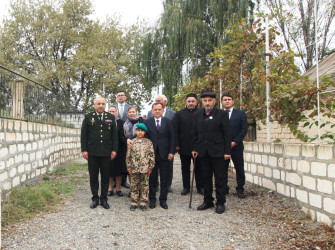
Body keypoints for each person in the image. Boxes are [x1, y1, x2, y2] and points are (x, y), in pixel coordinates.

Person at [192, 91, 232, 214]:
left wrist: (227, 151)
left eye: (210, 100)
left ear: (214, 102)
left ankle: (220, 202)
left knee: (220, 178)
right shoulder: (198, 115)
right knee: (206, 178)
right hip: (203, 152)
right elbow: (195, 134)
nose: (207, 103)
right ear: (202, 102)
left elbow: (227, 134)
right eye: (205, 100)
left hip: (218, 152)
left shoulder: (222, 114)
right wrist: (194, 148)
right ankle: (208, 200)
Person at [81, 97, 118, 209]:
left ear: (105, 105)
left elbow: (114, 136)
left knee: (105, 177)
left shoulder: (110, 117)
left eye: (103, 103)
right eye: (98, 104)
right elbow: (84, 135)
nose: (101, 105)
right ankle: (95, 198)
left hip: (106, 152)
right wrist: (84, 150)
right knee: (93, 176)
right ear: (94, 105)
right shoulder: (88, 117)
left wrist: (114, 150)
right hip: (92, 152)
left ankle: (104, 199)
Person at [145, 103, 175, 209]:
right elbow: (144, 137)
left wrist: (171, 152)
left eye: (159, 109)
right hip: (152, 155)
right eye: (155, 109)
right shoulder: (147, 122)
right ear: (152, 111)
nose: (157, 111)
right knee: (152, 178)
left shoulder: (168, 122)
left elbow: (173, 138)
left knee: (164, 178)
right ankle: (152, 199)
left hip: (165, 154)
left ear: (163, 111)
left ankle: (163, 200)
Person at [174, 93, 204, 195]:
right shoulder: (179, 114)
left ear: (196, 102)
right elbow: (175, 131)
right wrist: (177, 144)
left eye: (193, 101)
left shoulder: (202, 113)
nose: (191, 103)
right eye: (189, 101)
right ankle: (186, 187)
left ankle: (200, 187)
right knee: (185, 167)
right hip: (184, 145)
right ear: (186, 102)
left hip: (199, 145)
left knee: (199, 168)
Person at [221, 94, 248, 198]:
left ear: (233, 101)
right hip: (223, 147)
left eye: (229, 99)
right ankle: (224, 188)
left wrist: (235, 141)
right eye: (225, 100)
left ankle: (240, 188)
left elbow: (244, 129)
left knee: (239, 168)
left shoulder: (240, 114)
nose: (227, 101)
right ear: (221, 102)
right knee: (222, 169)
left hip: (236, 146)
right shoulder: (219, 114)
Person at [126, 123, 155, 211]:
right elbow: (128, 156)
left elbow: (151, 155)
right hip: (134, 168)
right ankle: (134, 202)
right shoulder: (132, 142)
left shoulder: (148, 142)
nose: (140, 132)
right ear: (136, 131)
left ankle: (143, 202)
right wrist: (129, 167)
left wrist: (151, 167)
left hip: (145, 169)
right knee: (134, 185)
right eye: (138, 130)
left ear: (145, 132)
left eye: (142, 131)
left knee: (145, 186)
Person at [123, 106, 144, 196]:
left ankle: (140, 189)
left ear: (136, 112)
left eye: (133, 111)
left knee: (139, 169)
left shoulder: (141, 121)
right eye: (130, 112)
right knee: (131, 169)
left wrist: (131, 138)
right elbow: (123, 135)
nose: (132, 113)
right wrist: (127, 140)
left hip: (140, 147)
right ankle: (132, 189)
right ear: (128, 113)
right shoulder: (125, 123)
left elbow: (142, 132)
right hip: (129, 147)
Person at [107, 105, 127, 197]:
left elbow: (123, 135)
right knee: (110, 170)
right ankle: (110, 188)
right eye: (110, 111)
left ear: (117, 112)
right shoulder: (104, 121)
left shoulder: (121, 122)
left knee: (119, 170)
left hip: (120, 150)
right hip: (108, 149)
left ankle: (118, 188)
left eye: (113, 111)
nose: (112, 113)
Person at [116, 91, 132, 189]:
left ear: (125, 97)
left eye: (122, 95)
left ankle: (124, 181)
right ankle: (115, 181)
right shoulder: (113, 107)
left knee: (125, 160)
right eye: (119, 96)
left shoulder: (129, 108)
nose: (121, 97)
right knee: (116, 160)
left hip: (126, 137)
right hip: (116, 136)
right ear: (117, 97)